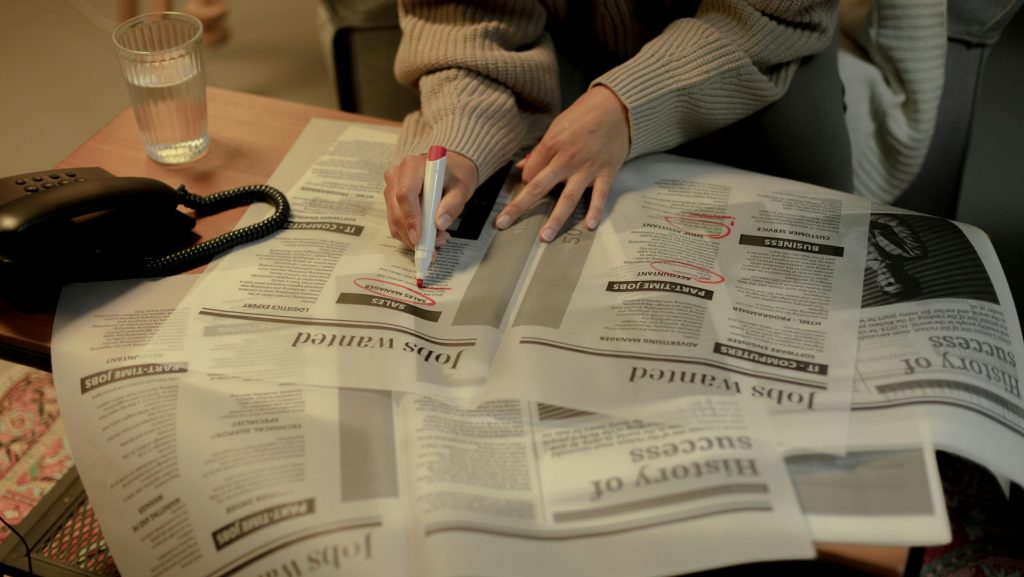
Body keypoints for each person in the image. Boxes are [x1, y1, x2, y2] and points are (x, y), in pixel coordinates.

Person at [383, 0, 851, 250]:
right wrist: (461, 136)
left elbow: (774, 14)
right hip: (557, 35)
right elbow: (468, 16)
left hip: (757, 42)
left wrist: (628, 105)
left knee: (821, 236)